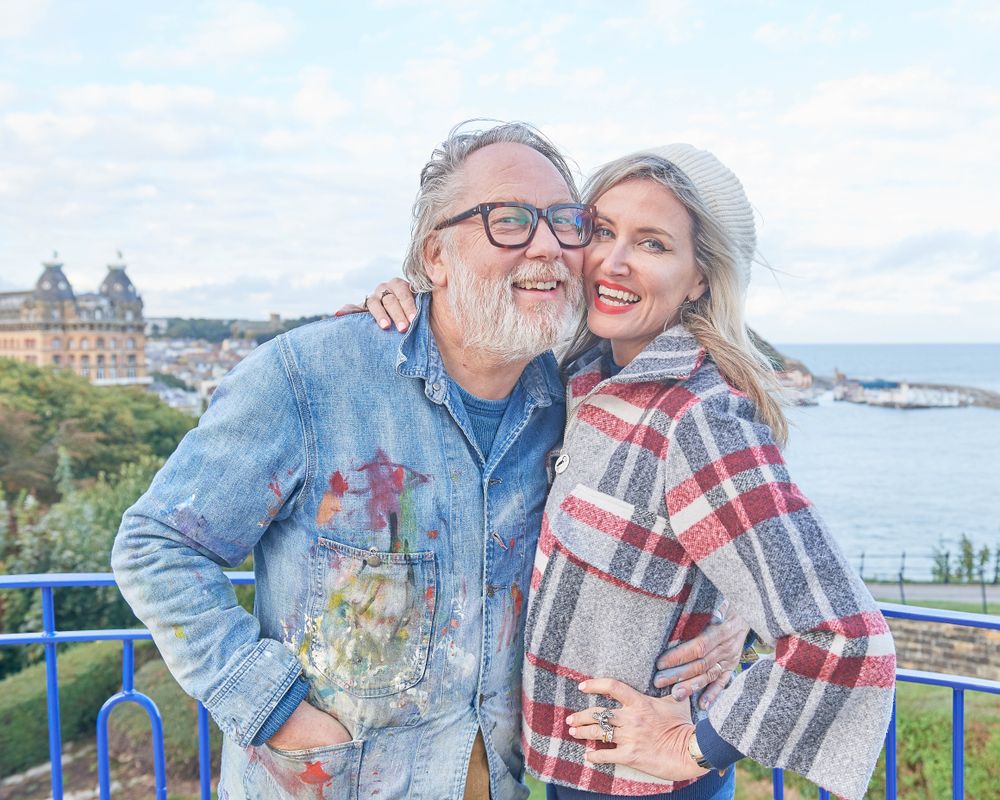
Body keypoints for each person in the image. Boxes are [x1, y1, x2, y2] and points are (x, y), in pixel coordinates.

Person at [111, 121, 743, 800]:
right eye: (509, 221)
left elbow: (699, 526)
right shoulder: (312, 377)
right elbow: (157, 545)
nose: (548, 245)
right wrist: (276, 710)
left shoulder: (573, 404)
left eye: (565, 222)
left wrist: (735, 613)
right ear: (435, 255)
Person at [356, 146, 895, 800]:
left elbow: (842, 636)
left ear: (700, 277)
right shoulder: (574, 382)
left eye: (652, 243)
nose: (613, 261)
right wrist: (412, 305)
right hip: (560, 775)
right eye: (602, 231)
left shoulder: (697, 419)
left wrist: (696, 742)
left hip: (646, 786)